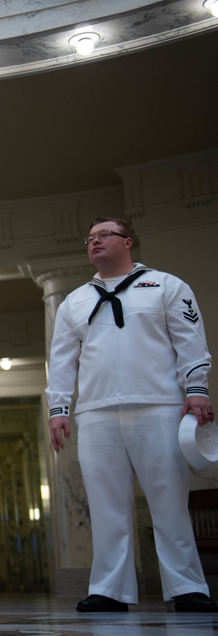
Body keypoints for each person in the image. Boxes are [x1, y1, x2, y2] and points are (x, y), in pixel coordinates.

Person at [47, 217, 217, 613]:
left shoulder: (166, 286)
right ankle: (110, 590)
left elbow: (190, 342)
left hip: (158, 405)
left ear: (127, 242)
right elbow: (60, 363)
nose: (95, 242)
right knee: (105, 506)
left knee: (169, 501)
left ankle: (188, 588)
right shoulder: (75, 301)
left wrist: (196, 390)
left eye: (104, 235)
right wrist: (59, 410)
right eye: (90, 238)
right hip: (96, 412)